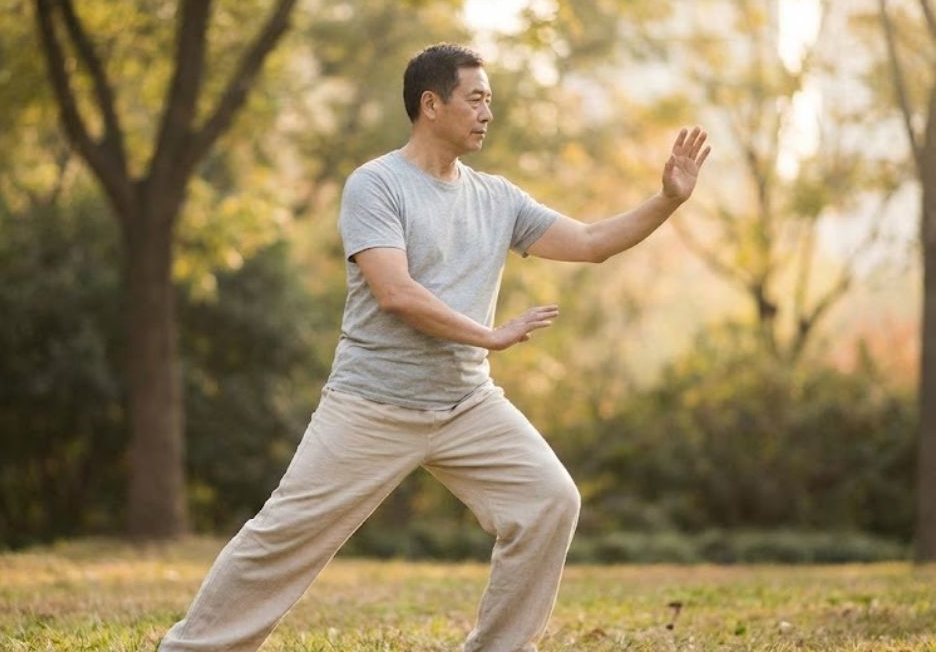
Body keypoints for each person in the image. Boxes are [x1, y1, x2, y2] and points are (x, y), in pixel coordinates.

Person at [158, 42, 711, 652]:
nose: (487, 113)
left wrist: (667, 201)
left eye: (489, 101)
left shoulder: (497, 198)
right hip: (372, 403)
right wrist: (490, 335)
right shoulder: (376, 185)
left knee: (549, 500)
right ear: (431, 104)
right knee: (283, 536)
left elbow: (591, 241)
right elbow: (395, 292)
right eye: (475, 99)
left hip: (465, 404)